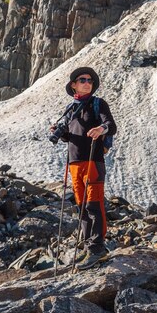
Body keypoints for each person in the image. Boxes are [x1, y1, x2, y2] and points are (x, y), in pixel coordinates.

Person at [51, 66, 117, 270]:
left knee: (93, 204)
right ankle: (89, 248)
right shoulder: (70, 110)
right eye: (83, 80)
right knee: (81, 208)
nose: (87, 83)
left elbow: (111, 125)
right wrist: (58, 131)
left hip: (92, 161)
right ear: (73, 85)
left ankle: (98, 249)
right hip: (75, 164)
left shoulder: (98, 104)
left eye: (90, 80)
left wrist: (101, 129)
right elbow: (69, 137)